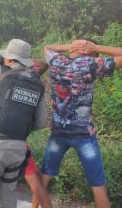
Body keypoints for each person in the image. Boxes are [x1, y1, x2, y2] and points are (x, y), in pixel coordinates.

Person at [40, 40, 122, 208]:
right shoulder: (91, 64)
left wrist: (67, 47)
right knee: (97, 184)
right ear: (89, 52)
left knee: (44, 176)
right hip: (84, 136)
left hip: (58, 133)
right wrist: (97, 47)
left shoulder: (56, 61)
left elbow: (47, 47)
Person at [0, 39, 48, 208]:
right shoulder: (37, 84)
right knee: (9, 192)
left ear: (8, 58)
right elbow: (42, 122)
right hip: (18, 148)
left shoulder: (1, 74)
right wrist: (21, 128)